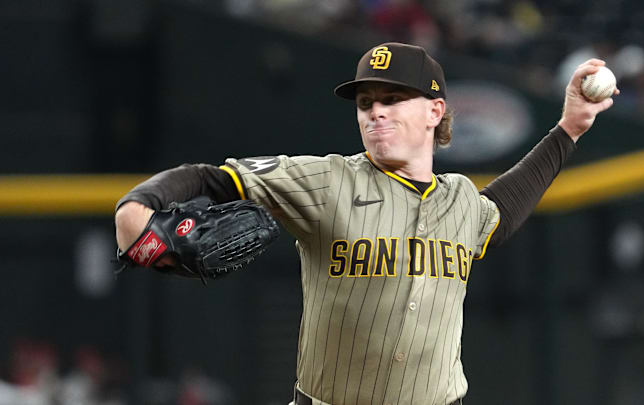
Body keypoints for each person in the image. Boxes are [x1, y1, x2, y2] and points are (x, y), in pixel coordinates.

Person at [115, 42, 617, 405]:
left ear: (434, 111)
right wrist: (136, 209)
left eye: (392, 99)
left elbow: (501, 212)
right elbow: (210, 177)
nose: (375, 112)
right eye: (365, 103)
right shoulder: (326, 180)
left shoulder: (461, 201)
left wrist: (569, 129)